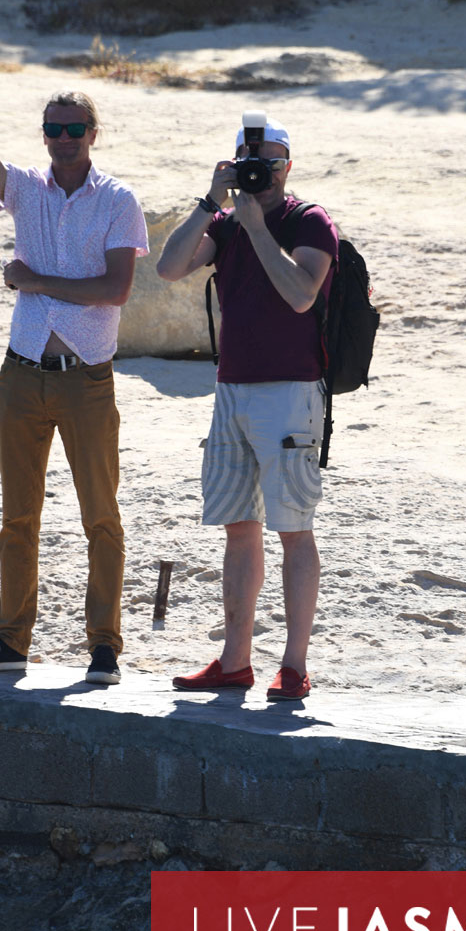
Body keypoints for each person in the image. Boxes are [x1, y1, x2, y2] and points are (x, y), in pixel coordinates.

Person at [0, 0, 149, 683]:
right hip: (21, 374)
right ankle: (10, 641)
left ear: (94, 133)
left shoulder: (116, 199)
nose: (63, 138)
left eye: (75, 128)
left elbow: (115, 289)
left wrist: (34, 279)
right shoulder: (25, 191)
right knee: (16, 518)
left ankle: (104, 645)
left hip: (87, 376)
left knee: (101, 517)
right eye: (54, 128)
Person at [156, 117, 338, 700]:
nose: (259, 174)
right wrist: (210, 201)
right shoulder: (226, 223)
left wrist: (258, 228)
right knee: (239, 528)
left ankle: (293, 663)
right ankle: (235, 661)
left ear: (289, 167)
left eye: (270, 163)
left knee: (294, 530)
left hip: (290, 394)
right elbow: (168, 268)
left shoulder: (308, 221)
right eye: (248, 164)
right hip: (231, 391)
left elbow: (301, 293)